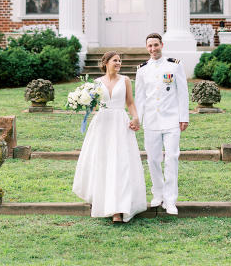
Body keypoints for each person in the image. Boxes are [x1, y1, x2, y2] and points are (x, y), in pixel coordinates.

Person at [72, 51, 147, 223]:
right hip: (102, 124)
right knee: (103, 162)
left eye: (120, 60)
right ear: (106, 62)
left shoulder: (125, 80)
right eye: (115, 60)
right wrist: (81, 101)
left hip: (120, 123)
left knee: (121, 163)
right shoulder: (96, 83)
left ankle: (120, 209)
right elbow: (93, 105)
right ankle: (104, 202)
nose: (118, 63)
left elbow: (130, 102)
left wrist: (136, 117)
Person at [134, 33, 189, 215]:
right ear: (147, 47)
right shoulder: (142, 69)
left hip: (172, 119)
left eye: (155, 45)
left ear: (162, 45)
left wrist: (184, 117)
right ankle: (158, 194)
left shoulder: (175, 65)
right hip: (151, 121)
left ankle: (171, 200)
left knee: (172, 158)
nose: (153, 49)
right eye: (149, 46)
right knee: (153, 160)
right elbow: (140, 97)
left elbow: (182, 92)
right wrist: (138, 119)